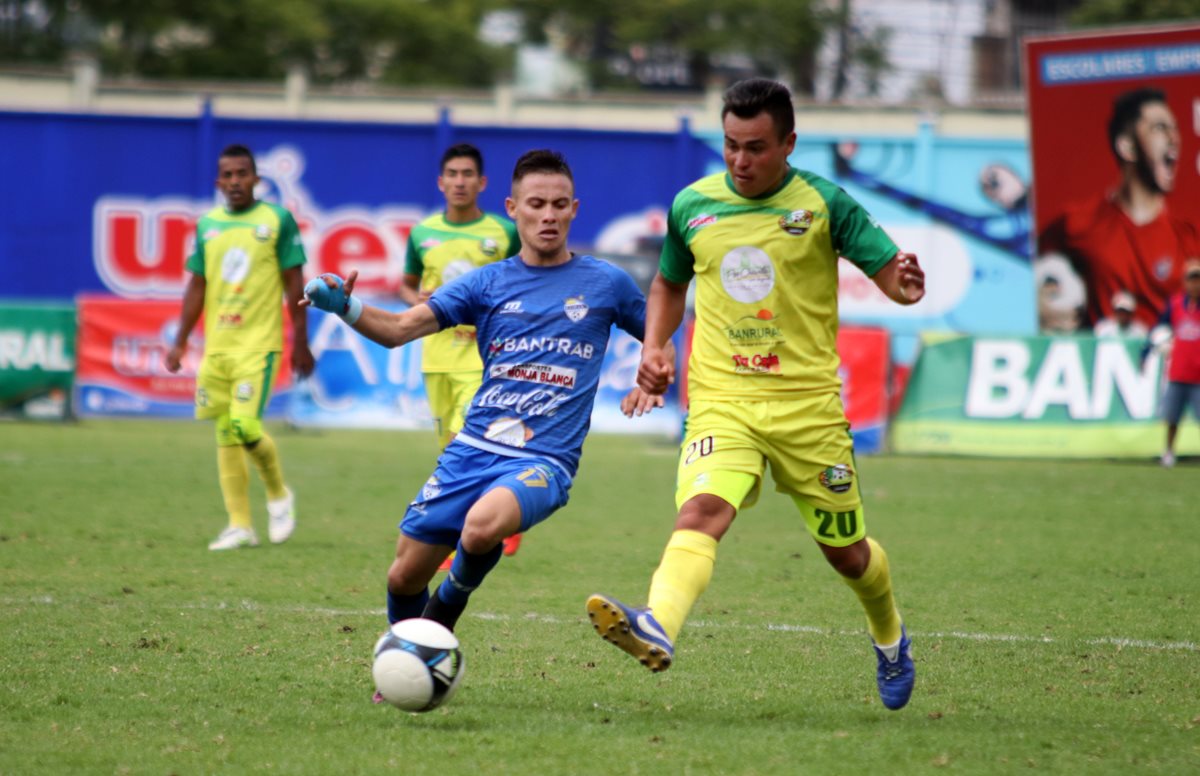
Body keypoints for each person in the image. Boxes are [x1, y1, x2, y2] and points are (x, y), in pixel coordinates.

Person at [585, 78, 926, 711]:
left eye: (756, 147)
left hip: (807, 407)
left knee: (847, 555)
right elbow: (667, 284)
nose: (741, 161)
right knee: (703, 512)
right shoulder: (693, 205)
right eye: (731, 146)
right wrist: (654, 347)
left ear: (789, 143)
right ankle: (657, 622)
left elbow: (892, 279)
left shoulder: (825, 204)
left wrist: (905, 284)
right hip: (723, 397)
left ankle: (890, 637)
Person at [302, 149, 665, 663]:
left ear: (575, 209)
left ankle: (435, 629)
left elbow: (660, 333)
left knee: (480, 526)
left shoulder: (606, 283)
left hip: (544, 461)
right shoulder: (485, 283)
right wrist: (345, 305)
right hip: (472, 448)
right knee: (403, 575)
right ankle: (414, 666)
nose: (548, 215)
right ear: (512, 208)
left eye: (560, 204)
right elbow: (399, 330)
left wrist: (653, 372)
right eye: (536, 204)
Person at [165, 143, 314, 550]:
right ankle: (239, 525)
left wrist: (301, 341)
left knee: (244, 426)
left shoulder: (277, 220)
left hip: (258, 345)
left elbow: (294, 285)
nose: (235, 182)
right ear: (218, 182)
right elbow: (198, 285)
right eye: (227, 175)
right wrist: (179, 342)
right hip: (218, 348)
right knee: (225, 433)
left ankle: (279, 494)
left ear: (256, 179)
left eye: (242, 174)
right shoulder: (208, 225)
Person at [400, 144, 525, 564]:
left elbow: (519, 281)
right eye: (452, 174)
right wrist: (418, 299)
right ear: (441, 182)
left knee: (463, 442)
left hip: (480, 357)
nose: (459, 181)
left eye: (467, 174)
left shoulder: (502, 232)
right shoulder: (422, 233)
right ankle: (505, 517)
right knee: (448, 447)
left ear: (482, 182)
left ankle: (462, 536)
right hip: (435, 356)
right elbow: (406, 285)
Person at [1038, 87, 1200, 331]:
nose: (1174, 138)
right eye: (1159, 128)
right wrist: (1047, 311)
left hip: (1165, 365)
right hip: (1103, 364)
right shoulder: (1077, 224)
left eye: (1174, 128)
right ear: (1128, 148)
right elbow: (1033, 278)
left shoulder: (1188, 238)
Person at [1147, 260, 1200, 468]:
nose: (1195, 284)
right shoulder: (1176, 304)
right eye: (1192, 279)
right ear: (1185, 282)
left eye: (1198, 280)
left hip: (1199, 375)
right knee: (1172, 418)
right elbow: (1159, 328)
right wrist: (1146, 350)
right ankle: (1168, 453)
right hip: (1178, 372)